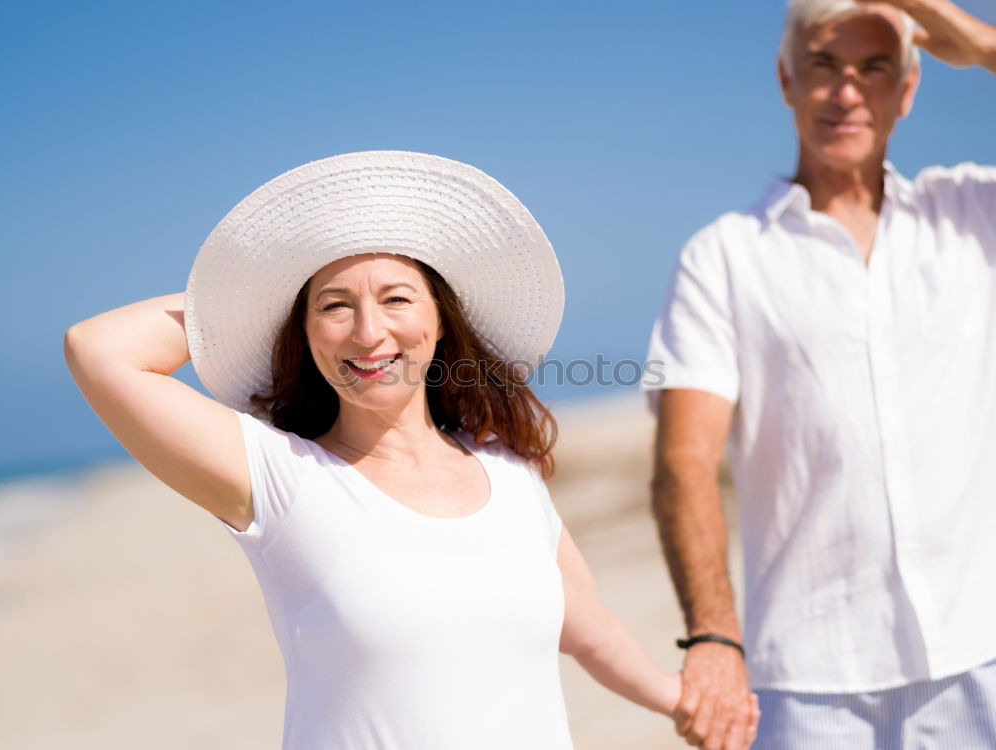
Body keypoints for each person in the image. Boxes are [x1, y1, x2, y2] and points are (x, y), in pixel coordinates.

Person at [65, 151, 751, 750]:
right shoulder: (279, 476)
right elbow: (99, 350)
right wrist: (247, 295)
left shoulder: (509, 475)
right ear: (300, 332)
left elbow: (585, 624)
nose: (368, 333)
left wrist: (677, 698)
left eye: (396, 298)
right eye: (333, 307)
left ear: (439, 322)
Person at [644, 1, 996, 748]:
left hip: (983, 651)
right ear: (785, 79)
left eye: (873, 70)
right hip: (807, 683)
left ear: (907, 90)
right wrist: (712, 637)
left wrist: (981, 42)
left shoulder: (974, 213)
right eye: (825, 67)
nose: (845, 93)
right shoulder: (724, 256)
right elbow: (685, 460)